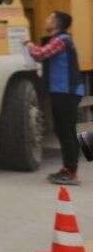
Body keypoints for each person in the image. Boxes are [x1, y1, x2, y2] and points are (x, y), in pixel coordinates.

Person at [24, 11, 86, 186]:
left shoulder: (61, 40)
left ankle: (71, 172)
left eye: (50, 18)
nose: (46, 20)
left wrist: (28, 43)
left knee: (66, 131)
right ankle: (67, 169)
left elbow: (40, 54)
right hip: (62, 92)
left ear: (57, 23)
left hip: (66, 92)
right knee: (62, 130)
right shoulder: (58, 39)